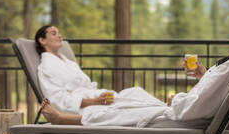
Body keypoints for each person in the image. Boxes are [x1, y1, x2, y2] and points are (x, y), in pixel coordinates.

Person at [40, 9, 229, 127]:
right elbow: (211, 96)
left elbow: (192, 109)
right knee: (132, 97)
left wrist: (178, 100)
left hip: (185, 116)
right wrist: (202, 76)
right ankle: (67, 116)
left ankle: (62, 119)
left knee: (120, 109)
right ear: (41, 41)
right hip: (188, 112)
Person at [36, 25, 165, 116]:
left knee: (136, 92)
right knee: (129, 107)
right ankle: (166, 111)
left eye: (59, 33)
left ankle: (166, 108)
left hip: (95, 100)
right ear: (42, 40)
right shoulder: (47, 67)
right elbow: (58, 100)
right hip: (82, 109)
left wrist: (98, 97)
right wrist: (94, 101)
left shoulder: (66, 61)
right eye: (54, 33)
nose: (59, 36)